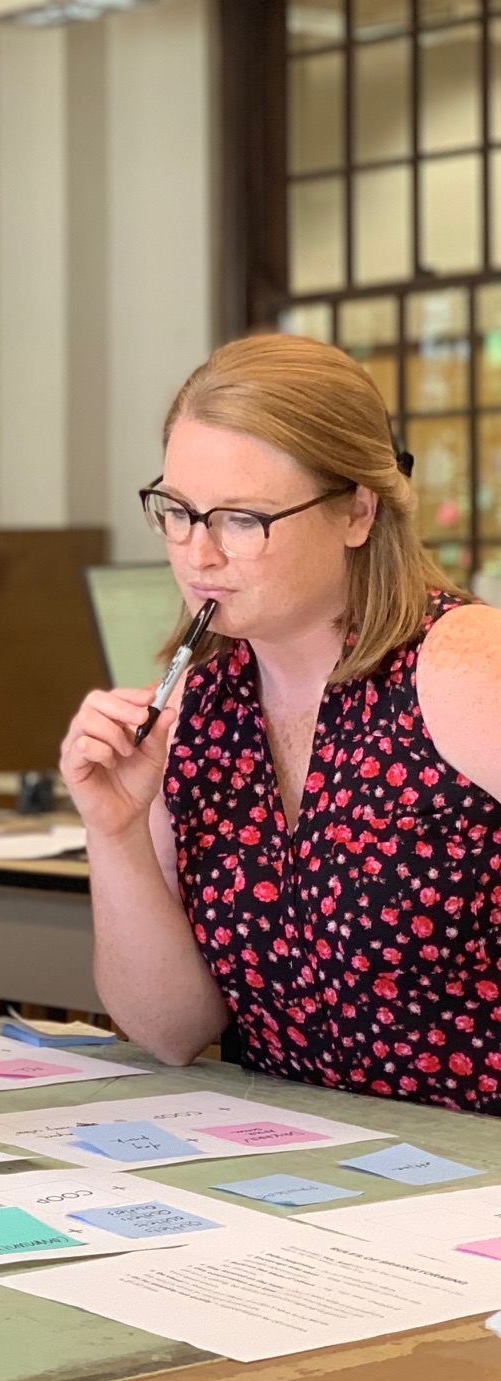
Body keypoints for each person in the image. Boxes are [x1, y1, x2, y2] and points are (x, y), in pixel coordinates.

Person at [59, 333, 501, 1113]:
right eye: (178, 511)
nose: (198, 554)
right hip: (302, 1172)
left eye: (241, 519)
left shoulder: (464, 669)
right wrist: (116, 834)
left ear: (358, 512)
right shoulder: (198, 710)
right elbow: (171, 1030)